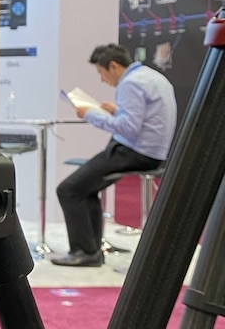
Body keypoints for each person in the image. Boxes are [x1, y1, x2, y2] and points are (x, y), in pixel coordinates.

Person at [52, 44, 177, 267]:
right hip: (153, 152)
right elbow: (147, 119)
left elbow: (128, 129)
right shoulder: (153, 77)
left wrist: (90, 114)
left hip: (133, 152)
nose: (102, 80)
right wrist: (117, 110)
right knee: (86, 190)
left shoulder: (130, 83)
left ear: (113, 66)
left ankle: (85, 252)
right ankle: (92, 250)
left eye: (101, 73)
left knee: (68, 190)